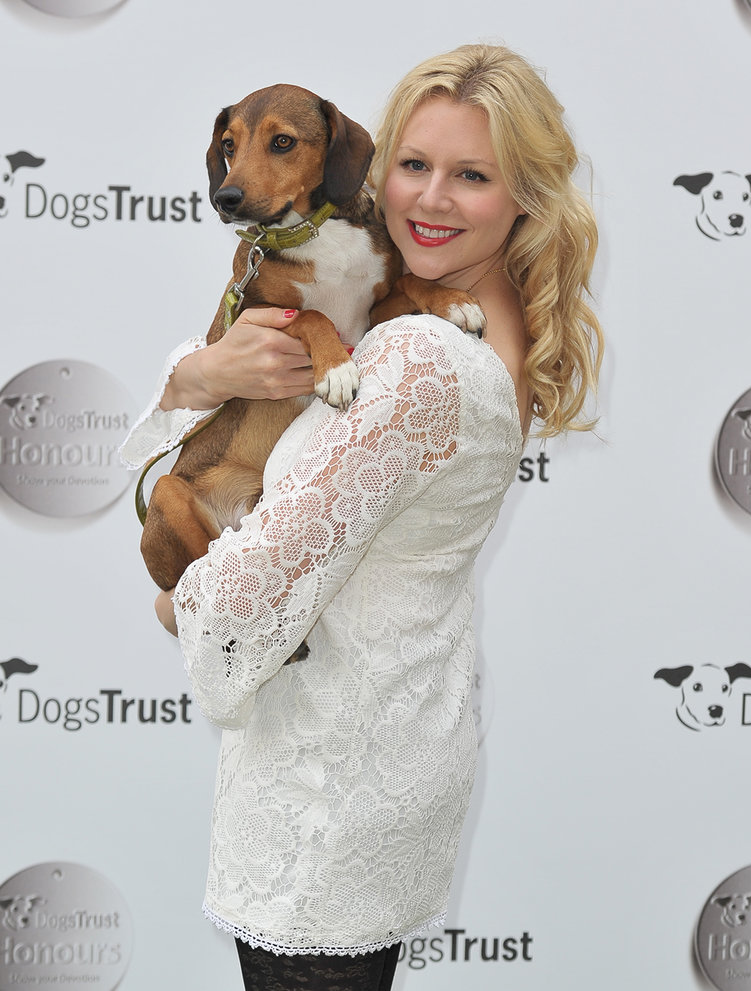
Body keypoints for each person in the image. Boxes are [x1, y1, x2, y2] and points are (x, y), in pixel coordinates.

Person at [120, 42, 603, 991]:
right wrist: (202, 372)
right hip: (386, 761)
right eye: (414, 166)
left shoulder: (418, 361)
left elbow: (239, 617)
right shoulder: (457, 325)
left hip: (322, 801)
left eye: (472, 175)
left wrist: (185, 601)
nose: (427, 198)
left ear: (526, 197)